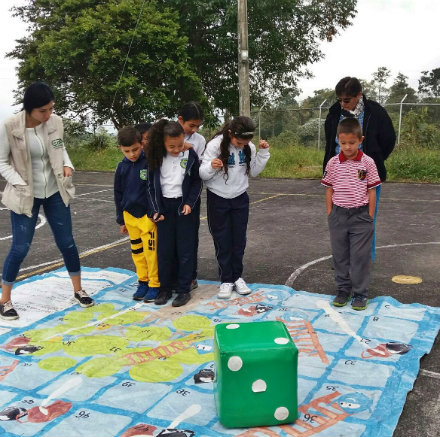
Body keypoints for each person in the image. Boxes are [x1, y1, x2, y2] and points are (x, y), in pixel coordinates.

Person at [0, 82, 94, 320]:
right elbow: (2, 162)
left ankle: (78, 290)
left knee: (67, 243)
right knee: (20, 247)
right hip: (25, 194)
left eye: (51, 108)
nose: (48, 114)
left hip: (54, 191)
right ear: (29, 109)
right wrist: (20, 184)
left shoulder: (55, 122)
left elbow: (59, 148)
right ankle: (5, 300)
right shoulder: (10, 126)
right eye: (43, 110)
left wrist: (67, 164)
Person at [323, 76, 396, 261]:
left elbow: (388, 139)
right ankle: (342, 259)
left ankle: (363, 259)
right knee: (340, 217)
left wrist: (375, 159)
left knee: (365, 218)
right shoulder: (334, 112)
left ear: (359, 95)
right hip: (339, 172)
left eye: (346, 100)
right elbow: (329, 140)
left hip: (364, 172)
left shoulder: (375, 112)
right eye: (339, 99)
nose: (342, 103)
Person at [199, 116, 270, 299]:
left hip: (239, 198)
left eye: (245, 142)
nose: (241, 145)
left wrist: (263, 154)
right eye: (238, 142)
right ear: (230, 134)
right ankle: (226, 280)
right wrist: (211, 166)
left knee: (239, 240)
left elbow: (253, 171)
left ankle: (237, 276)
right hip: (218, 198)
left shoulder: (249, 147)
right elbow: (203, 174)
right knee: (222, 240)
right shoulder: (215, 145)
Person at [322, 118, 381, 311]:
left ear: (360, 140)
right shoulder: (332, 163)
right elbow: (329, 189)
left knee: (359, 257)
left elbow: (372, 190)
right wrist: (331, 213)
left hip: (361, 217)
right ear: (338, 140)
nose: (347, 147)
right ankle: (342, 290)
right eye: (343, 142)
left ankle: (360, 293)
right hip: (338, 216)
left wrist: (369, 216)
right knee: (340, 256)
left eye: (352, 143)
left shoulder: (368, 163)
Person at [146, 119, 202, 307]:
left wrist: (189, 203)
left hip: (184, 208)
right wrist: (156, 209)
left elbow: (196, 182)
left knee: (185, 249)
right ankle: (165, 289)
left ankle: (184, 289)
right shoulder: (155, 156)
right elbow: (151, 187)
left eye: (179, 144)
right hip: (164, 209)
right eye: (171, 146)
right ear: (162, 142)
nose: (176, 149)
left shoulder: (189, 154)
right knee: (165, 250)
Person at [114, 126, 159, 302]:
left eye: (135, 149)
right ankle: (143, 281)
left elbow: (154, 190)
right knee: (137, 252)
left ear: (141, 144)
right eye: (127, 151)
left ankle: (155, 284)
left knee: (151, 253)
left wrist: (153, 212)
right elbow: (118, 194)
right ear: (120, 149)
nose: (132, 154)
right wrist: (121, 219)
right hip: (130, 217)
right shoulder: (121, 167)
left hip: (147, 217)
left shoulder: (149, 163)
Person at [177, 101, 206, 291]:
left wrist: (191, 150)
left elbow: (199, 172)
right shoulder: (166, 133)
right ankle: (170, 277)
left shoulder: (199, 141)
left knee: (190, 239)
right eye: (191, 125)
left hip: (190, 196)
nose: (194, 130)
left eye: (198, 126)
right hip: (169, 196)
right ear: (180, 120)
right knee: (170, 240)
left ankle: (191, 276)